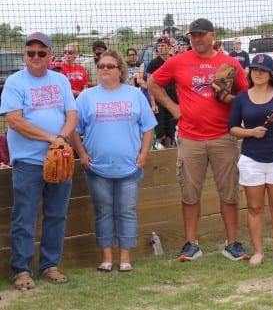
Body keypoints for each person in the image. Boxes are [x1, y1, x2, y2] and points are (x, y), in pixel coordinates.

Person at [147, 18, 250, 262]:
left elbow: (245, 95)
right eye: (193, 35)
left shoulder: (229, 62)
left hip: (224, 136)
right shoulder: (178, 61)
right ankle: (191, 244)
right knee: (190, 193)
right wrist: (174, 108)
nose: (196, 39)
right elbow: (152, 83)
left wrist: (229, 99)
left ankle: (232, 243)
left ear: (213, 35)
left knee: (230, 193)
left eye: (201, 35)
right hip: (190, 137)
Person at [0, 32, 78, 289]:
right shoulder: (14, 82)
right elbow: (15, 121)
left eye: (41, 53)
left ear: (49, 56)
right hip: (28, 163)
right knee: (24, 217)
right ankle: (21, 270)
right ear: (24, 55)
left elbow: (72, 116)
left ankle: (49, 266)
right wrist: (52, 139)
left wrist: (62, 138)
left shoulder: (61, 81)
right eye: (30, 52)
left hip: (60, 159)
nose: (35, 57)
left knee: (57, 215)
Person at [70, 49, 156, 272]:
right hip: (97, 168)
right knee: (103, 212)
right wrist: (82, 154)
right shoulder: (87, 97)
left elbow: (148, 127)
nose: (105, 69)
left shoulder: (135, 94)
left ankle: (125, 258)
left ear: (120, 70)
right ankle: (106, 258)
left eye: (110, 66)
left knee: (126, 211)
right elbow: (73, 130)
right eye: (101, 66)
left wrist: (144, 154)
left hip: (130, 167)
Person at [228, 54, 273, 266]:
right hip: (251, 159)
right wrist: (250, 132)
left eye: (262, 70)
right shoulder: (241, 98)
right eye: (254, 69)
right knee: (255, 207)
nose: (258, 73)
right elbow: (232, 128)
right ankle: (258, 251)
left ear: (270, 74)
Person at [146, 36, 177, 148]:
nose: (161, 48)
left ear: (169, 47)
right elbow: (150, 85)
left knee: (171, 130)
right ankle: (158, 151)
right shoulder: (153, 63)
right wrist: (153, 104)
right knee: (160, 130)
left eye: (163, 46)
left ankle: (169, 151)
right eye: (158, 46)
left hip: (174, 100)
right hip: (160, 100)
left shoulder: (175, 60)